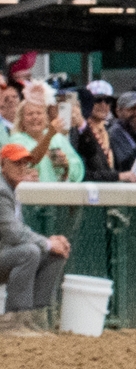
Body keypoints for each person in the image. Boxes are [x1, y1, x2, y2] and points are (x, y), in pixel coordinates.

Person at [0, 132, 69, 335]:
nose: (22, 167)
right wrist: (46, 242)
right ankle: (14, 322)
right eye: (16, 163)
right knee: (30, 252)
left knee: (53, 253)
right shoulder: (2, 191)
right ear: (3, 165)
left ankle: (35, 320)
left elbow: (17, 231)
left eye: (25, 163)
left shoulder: (11, 188)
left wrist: (49, 244)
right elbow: (12, 233)